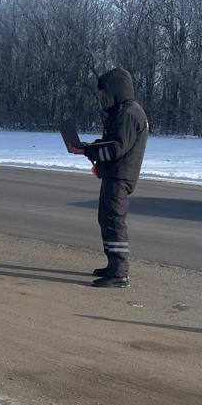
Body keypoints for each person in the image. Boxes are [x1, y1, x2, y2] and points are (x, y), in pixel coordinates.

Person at [68, 68, 149, 288]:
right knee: (106, 219)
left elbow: (115, 149)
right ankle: (112, 264)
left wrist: (88, 151)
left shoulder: (130, 114)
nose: (103, 99)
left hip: (121, 177)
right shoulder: (120, 113)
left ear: (117, 90)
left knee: (114, 221)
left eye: (105, 94)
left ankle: (119, 273)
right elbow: (110, 144)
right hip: (113, 175)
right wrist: (87, 148)